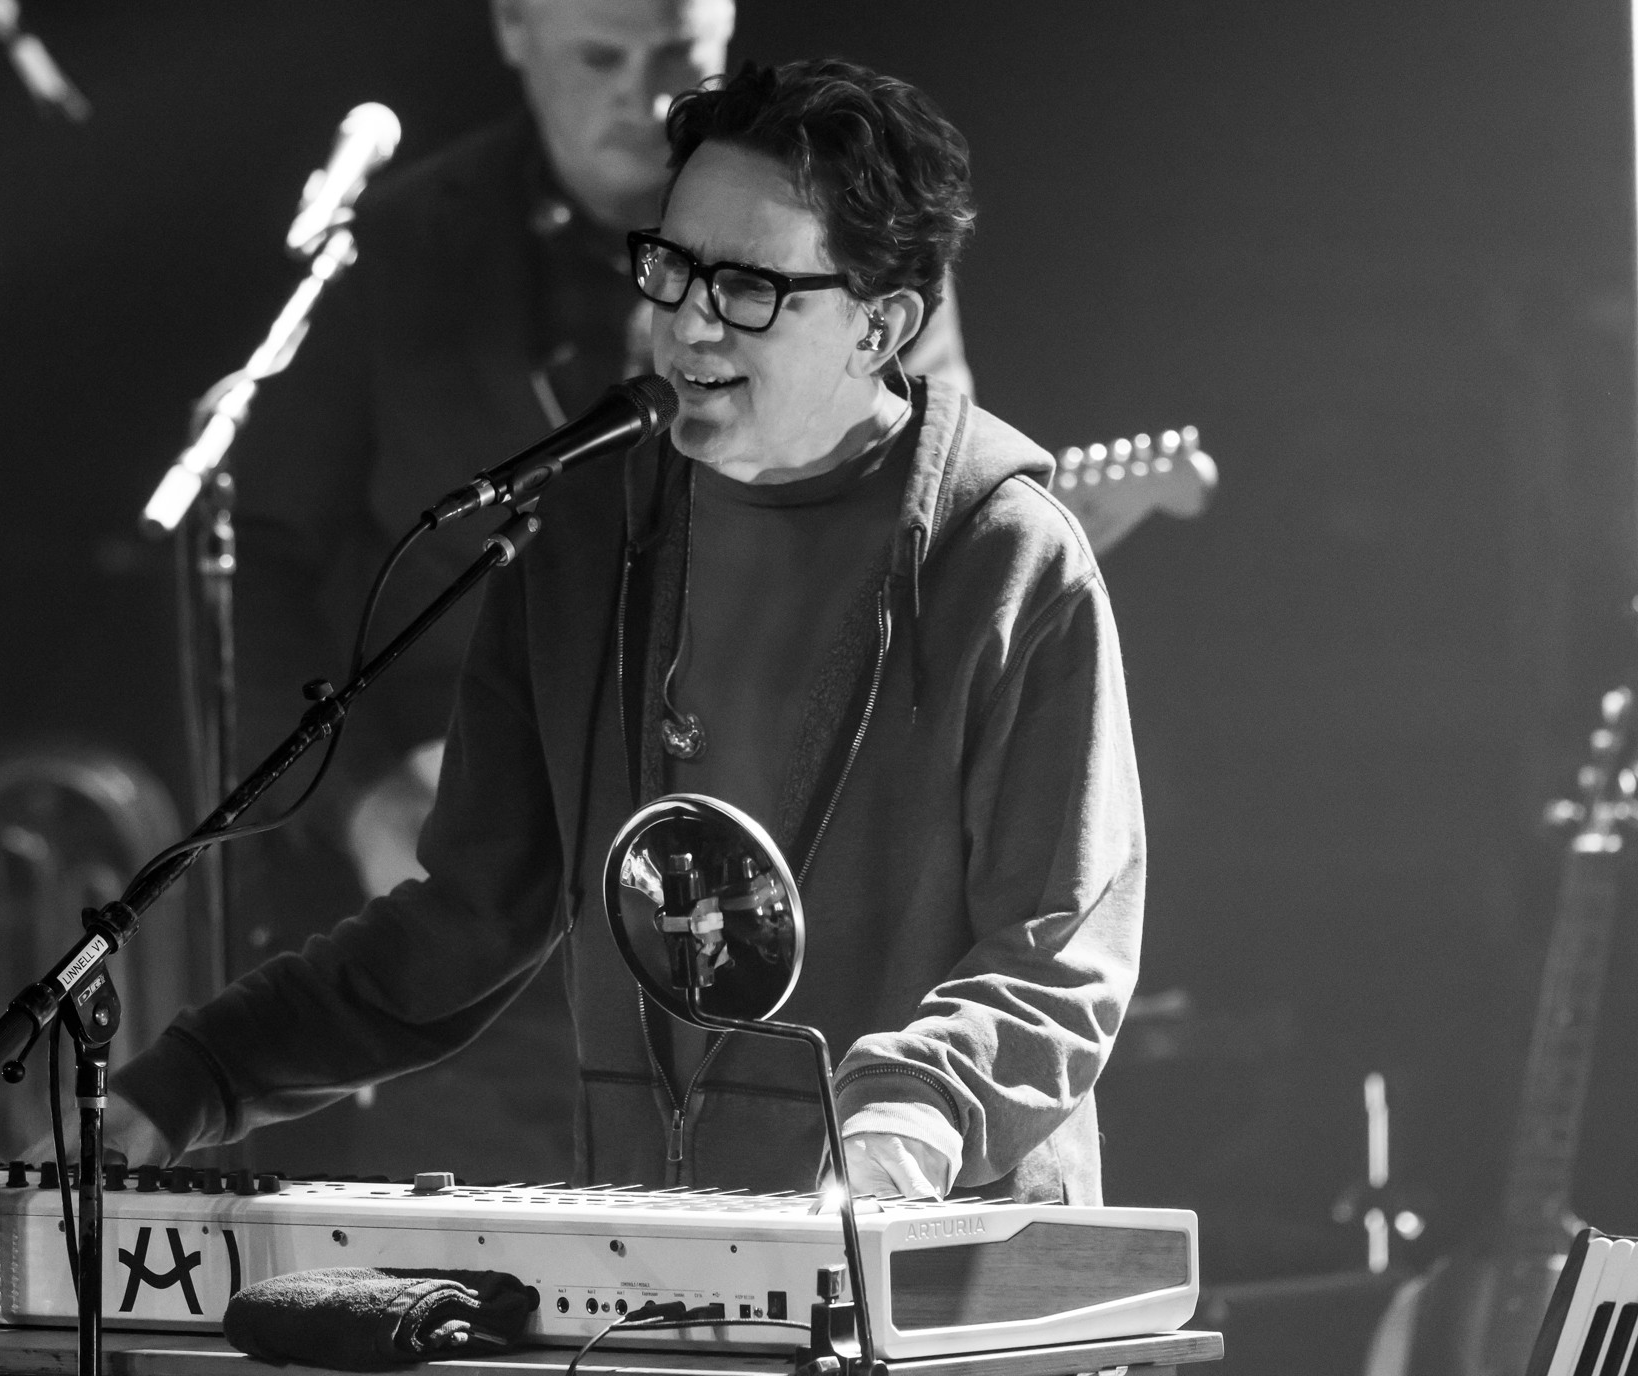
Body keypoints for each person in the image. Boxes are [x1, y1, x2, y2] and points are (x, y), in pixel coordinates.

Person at [114, 58, 1142, 1202]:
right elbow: (464, 922)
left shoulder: (1006, 556)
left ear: (879, 325)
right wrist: (185, 1083)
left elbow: (1057, 958)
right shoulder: (581, 535)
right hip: (671, 1241)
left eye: (745, 287)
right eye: (671, 268)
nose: (688, 323)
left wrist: (906, 1122)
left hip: (948, 1247)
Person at [221, 0, 967, 1181]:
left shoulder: (853, 249)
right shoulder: (402, 248)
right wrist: (360, 794)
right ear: (512, 27)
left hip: (762, 940)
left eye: (678, 57)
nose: (648, 97)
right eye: (600, 57)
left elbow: (922, 528)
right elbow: (256, 566)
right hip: (487, 926)